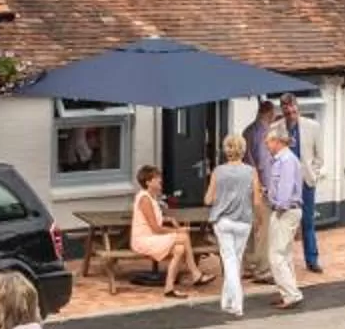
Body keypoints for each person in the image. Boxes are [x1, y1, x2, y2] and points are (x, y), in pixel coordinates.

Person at [204, 134, 257, 318]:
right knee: (236, 260)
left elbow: (208, 199)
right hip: (244, 221)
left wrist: (221, 197)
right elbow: (257, 201)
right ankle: (226, 301)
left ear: (226, 150)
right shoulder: (251, 172)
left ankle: (237, 303)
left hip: (223, 221)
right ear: (243, 150)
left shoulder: (218, 171)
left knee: (229, 261)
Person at [126, 165, 201, 296]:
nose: (160, 180)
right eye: (157, 178)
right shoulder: (144, 199)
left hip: (153, 238)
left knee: (179, 249)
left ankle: (169, 288)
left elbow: (154, 218)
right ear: (148, 182)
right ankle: (195, 273)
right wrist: (176, 231)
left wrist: (169, 218)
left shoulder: (151, 198)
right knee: (183, 237)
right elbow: (155, 228)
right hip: (144, 240)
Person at [276, 92, 327, 274]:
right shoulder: (277, 128)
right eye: (286, 110)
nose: (290, 113)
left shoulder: (312, 126)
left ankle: (312, 260)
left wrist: (312, 172)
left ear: (297, 106)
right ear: (282, 110)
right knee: (285, 223)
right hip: (285, 183)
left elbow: (319, 157)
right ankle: (286, 262)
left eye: (293, 109)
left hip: (305, 181)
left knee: (307, 221)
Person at [259, 125, 307, 309]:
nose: (267, 145)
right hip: (286, 210)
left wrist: (278, 206)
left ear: (277, 141)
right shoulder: (283, 160)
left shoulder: (286, 161)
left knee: (276, 255)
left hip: (284, 212)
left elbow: (285, 191)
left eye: (269, 141)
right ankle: (289, 292)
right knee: (284, 254)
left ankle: (291, 294)